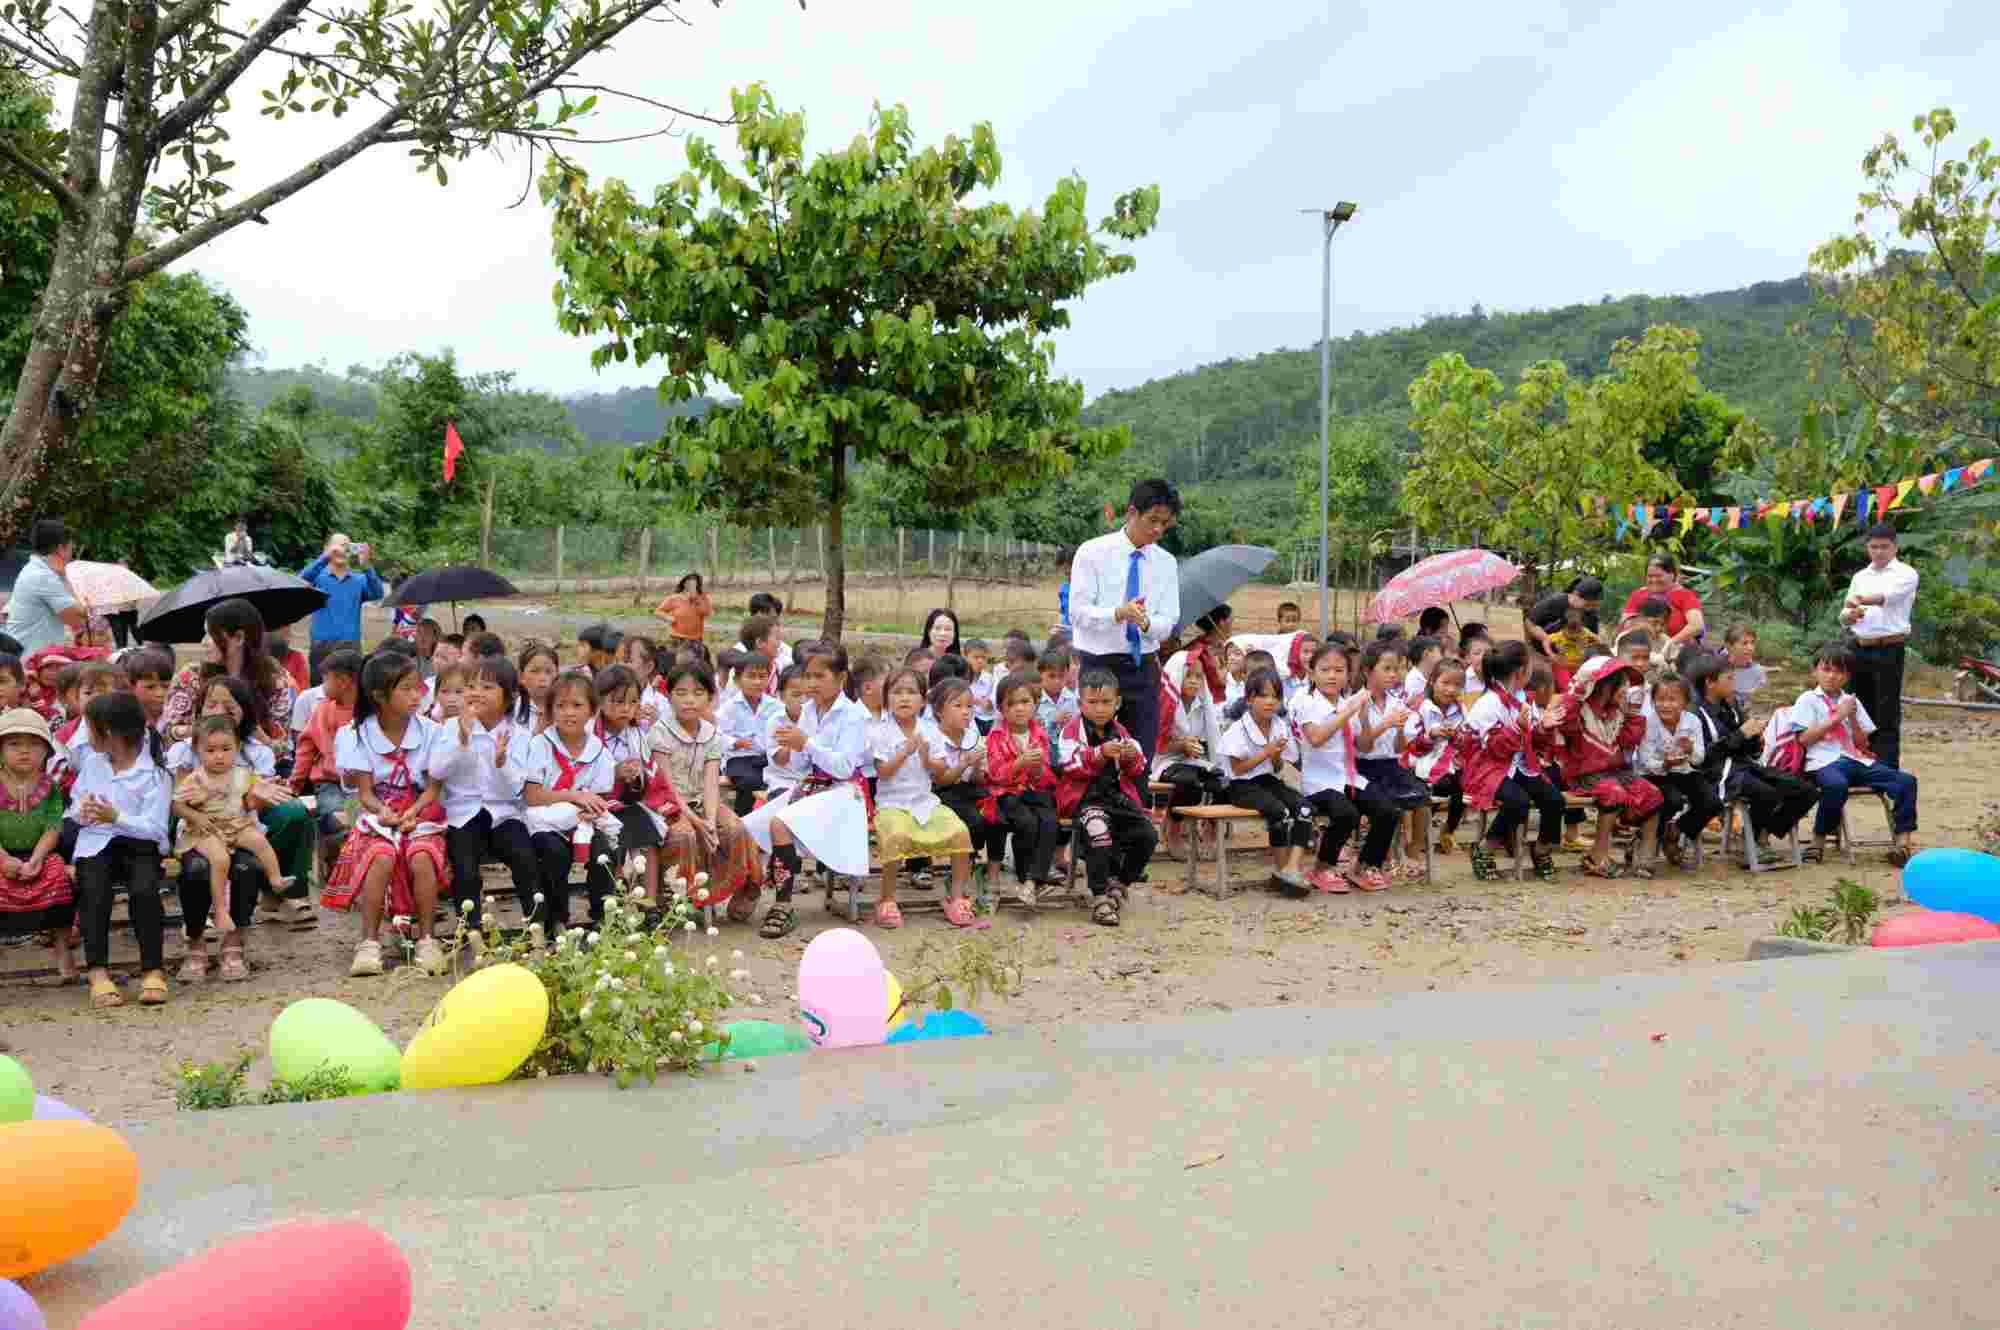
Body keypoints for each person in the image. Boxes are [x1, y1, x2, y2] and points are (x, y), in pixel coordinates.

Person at [324, 652, 448, 977]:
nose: (416, 695)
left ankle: (427, 939)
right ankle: (369, 942)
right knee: (381, 855)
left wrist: (414, 812)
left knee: (421, 856)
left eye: (417, 688)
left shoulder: (433, 732)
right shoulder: (356, 734)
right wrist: (386, 814)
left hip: (423, 811)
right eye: (406, 689)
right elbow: (366, 794)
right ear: (379, 696)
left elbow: (433, 789)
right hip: (379, 814)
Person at [741, 640, 872, 938]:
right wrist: (790, 747)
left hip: (842, 794)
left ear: (841, 679)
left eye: (819, 676)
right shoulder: (809, 710)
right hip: (812, 787)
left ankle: (784, 904)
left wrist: (805, 743)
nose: (811, 683)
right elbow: (801, 765)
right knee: (748, 826)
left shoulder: (854, 716)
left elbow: (843, 768)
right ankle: (747, 889)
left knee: (779, 824)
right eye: (808, 676)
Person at [1066, 478, 1182, 773]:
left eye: (1165, 524)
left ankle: (1137, 813)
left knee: (1139, 754)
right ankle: (1096, 816)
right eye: (1152, 520)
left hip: (1143, 666)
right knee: (1098, 754)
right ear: (1132, 512)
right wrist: (1117, 614)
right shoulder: (1092, 552)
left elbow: (1168, 621)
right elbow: (1077, 613)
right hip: (1100, 664)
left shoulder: (1166, 562)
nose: (1157, 529)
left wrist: (1146, 623)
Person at [70, 691, 172, 1007]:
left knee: (144, 890)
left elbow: (155, 829)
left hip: (140, 844)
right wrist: (81, 811)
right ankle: (98, 973)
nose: (87, 736)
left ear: (110, 732)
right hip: (96, 843)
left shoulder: (155, 773)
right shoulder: (93, 764)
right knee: (94, 889)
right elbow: (74, 805)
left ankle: (153, 970)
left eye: (91, 729)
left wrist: (118, 817)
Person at [429, 653, 542, 936]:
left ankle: (537, 923)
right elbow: (437, 769)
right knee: (465, 867)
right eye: (472, 686)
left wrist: (501, 762)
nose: (476, 693)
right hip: (463, 813)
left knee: (524, 858)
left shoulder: (519, 735)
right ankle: (471, 928)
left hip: (504, 812)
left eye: (488, 687)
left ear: (509, 695)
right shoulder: (453, 726)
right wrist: (462, 740)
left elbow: (516, 788)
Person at [172, 717, 293, 980]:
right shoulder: (196, 778)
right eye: (210, 750)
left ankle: (275, 879)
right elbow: (177, 805)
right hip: (206, 831)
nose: (218, 756)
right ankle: (219, 914)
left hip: (237, 825)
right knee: (216, 861)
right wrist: (196, 816)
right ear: (198, 751)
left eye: (226, 749)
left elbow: (256, 792)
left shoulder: (242, 774)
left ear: (237, 748)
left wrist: (266, 790)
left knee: (258, 847)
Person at [652, 661, 762, 919]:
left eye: (698, 693)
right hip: (668, 805)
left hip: (703, 802)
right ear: (669, 697)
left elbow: (711, 782)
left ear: (711, 698)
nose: (689, 700)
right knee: (684, 836)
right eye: (681, 693)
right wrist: (696, 822)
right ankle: (669, 895)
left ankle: (744, 889)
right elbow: (667, 786)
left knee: (735, 828)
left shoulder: (712, 733)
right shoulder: (659, 733)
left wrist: (710, 820)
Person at [870, 667, 978, 928]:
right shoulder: (879, 731)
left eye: (911, 692)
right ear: (887, 699)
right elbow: (883, 772)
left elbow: (939, 771)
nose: (904, 698)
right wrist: (905, 752)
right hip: (891, 804)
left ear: (922, 700)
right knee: (895, 836)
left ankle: (956, 897)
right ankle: (886, 899)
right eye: (897, 692)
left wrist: (926, 758)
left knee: (960, 831)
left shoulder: (930, 730)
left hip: (924, 801)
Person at [1792, 644, 1920, 865]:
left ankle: (1902, 844)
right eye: (1826, 669)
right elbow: (1804, 739)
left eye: (1839, 671)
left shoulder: (1851, 701)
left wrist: (1850, 716)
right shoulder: (1807, 700)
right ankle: (1818, 841)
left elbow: (1863, 743)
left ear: (1847, 676)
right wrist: (1837, 717)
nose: (1832, 676)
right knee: (1835, 785)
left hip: (1854, 760)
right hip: (1823, 762)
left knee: (1906, 782)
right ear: (1815, 671)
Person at [1686, 653, 1816, 863]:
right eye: (1728, 678)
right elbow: (1703, 758)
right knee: (1766, 793)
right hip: (1716, 773)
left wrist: (1756, 739)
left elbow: (1747, 749)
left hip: (1742, 766)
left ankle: (1759, 836)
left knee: (1805, 790)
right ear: (1710, 683)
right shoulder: (1694, 713)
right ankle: (1751, 843)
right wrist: (1741, 735)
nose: (1733, 683)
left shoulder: (1730, 707)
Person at [521, 670, 621, 936]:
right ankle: (557, 919)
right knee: (552, 852)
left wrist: (588, 809)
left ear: (592, 711)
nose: (569, 713)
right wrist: (574, 796)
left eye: (577, 705)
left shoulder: (598, 750)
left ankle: (603, 916)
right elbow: (532, 795)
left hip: (585, 822)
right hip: (547, 822)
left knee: (604, 853)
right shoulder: (541, 745)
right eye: (560, 706)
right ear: (551, 711)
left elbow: (601, 796)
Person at [1054, 667, 1156, 927]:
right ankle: (1099, 897)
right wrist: (1099, 754)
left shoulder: (1121, 732)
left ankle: (1119, 884)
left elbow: (1138, 767)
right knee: (1098, 833)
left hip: (1115, 797)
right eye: (1092, 702)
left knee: (1148, 835)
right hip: (1084, 799)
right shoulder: (1070, 730)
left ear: (1117, 703)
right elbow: (1069, 763)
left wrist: (1130, 758)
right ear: (1080, 703)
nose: (1099, 708)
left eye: (1106, 702)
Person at [1552, 654, 1664, 879]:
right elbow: (1566, 724)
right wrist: (1576, 693)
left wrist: (1632, 712)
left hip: (1616, 772)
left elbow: (1628, 742)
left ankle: (1645, 853)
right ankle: (1597, 855)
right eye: (1620, 683)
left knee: (1652, 793)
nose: (1625, 688)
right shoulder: (1580, 711)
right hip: (1584, 775)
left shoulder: (1618, 713)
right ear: (1603, 686)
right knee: (1612, 792)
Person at [1463, 641, 1567, 883]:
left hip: (1517, 764)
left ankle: (1541, 849)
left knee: (1554, 800)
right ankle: (1485, 848)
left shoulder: (1520, 698)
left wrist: (1542, 727)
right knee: (1517, 801)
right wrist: (1517, 728)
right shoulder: (1488, 704)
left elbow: (1532, 740)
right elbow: (1494, 749)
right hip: (1487, 768)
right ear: (1521, 671)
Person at [1219, 665, 1315, 895]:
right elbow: (1237, 770)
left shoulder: (1279, 725)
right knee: (1279, 811)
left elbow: (1278, 767)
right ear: (1250, 698)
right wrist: (1266, 752)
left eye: (1275, 696)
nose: (1270, 702)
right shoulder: (1238, 729)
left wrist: (1276, 756)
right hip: (1241, 786)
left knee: (1304, 810)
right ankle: (1282, 870)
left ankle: (1291, 869)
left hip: (1268, 781)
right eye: (1263, 695)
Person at [0, 708, 74, 983]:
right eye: (14, 744)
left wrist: (38, 858)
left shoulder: (50, 787)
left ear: (46, 751)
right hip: (1, 854)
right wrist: (4, 860)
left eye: (33, 744)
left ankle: (63, 949)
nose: (24, 751)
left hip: (38, 854)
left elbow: (53, 826)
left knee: (60, 876)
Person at [1293, 642, 1374, 893]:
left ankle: (1364, 866)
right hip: (1317, 783)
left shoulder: (1348, 703)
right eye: (1325, 669)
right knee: (1347, 813)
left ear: (1348, 675)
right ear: (1313, 672)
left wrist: (1363, 716)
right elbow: (1316, 738)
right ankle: (1322, 868)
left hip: (1348, 778)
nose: (1332, 676)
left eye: (1339, 670)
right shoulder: (1306, 702)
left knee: (1387, 809)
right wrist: (1347, 711)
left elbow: (1365, 746)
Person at [1839, 523, 1919, 769]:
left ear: (1895, 547)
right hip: (1859, 646)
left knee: (1887, 709)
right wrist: (1849, 616)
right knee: (1858, 706)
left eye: (1884, 547)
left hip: (1889, 647)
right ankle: (1862, 760)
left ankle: (1887, 767)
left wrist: (1861, 600)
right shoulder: (1860, 577)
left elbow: (1888, 598)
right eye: (1874, 547)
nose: (1879, 552)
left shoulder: (1906, 574)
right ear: (1867, 548)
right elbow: (1844, 613)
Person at [983, 670, 1063, 901]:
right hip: (1007, 793)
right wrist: (1019, 764)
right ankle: (1024, 876)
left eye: (1025, 702)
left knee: (1049, 821)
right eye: (1011, 704)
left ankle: (1033, 879)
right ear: (1001, 709)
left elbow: (1046, 775)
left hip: (1035, 791)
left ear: (1035, 704)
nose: (1019, 708)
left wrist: (1037, 770)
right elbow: (995, 775)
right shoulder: (996, 736)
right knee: (1026, 823)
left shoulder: (1040, 735)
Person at [925, 678, 1007, 885]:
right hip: (941, 792)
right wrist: (964, 764)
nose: (966, 712)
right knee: (974, 822)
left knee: (998, 819)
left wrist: (979, 767)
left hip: (969, 788)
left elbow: (978, 779)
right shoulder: (932, 737)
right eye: (958, 705)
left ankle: (992, 876)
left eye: (969, 706)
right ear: (939, 711)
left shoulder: (972, 734)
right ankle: (964, 864)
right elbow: (942, 780)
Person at [1640, 676, 1721, 868]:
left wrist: (1690, 750)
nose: (1666, 705)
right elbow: (1646, 760)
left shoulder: (1692, 721)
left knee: (1712, 802)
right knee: (1672, 800)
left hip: (1684, 771)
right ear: (1653, 702)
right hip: (1656, 774)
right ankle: (1648, 840)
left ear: (1684, 702)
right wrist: (1665, 764)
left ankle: (1676, 830)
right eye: (1660, 699)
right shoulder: (1648, 723)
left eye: (1672, 699)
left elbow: (1699, 759)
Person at [1403, 659, 1469, 856]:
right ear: (1432, 682)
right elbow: (1410, 743)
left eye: (1457, 685)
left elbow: (1467, 738)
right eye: (1445, 683)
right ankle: (1421, 833)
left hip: (1450, 761)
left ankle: (1448, 830)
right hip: (1421, 762)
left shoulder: (1460, 709)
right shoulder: (1421, 707)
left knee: (1466, 787)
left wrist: (1456, 737)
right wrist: (1431, 735)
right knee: (1442, 785)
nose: (1451, 690)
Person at [299, 535, 385, 675]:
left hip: (350, 644)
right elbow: (300, 581)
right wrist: (324, 558)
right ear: (327, 549)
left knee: (352, 689)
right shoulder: (318, 577)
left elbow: (378, 593)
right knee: (319, 691)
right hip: (321, 644)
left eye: (346, 546)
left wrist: (366, 565)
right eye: (337, 546)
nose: (341, 550)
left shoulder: (359, 579)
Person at [4, 519, 84, 655]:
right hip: (32, 661)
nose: (71, 555)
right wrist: (64, 577)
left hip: (30, 656)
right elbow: (78, 619)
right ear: (61, 549)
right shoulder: (43, 576)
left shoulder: (34, 570)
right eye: (71, 549)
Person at [1619, 556, 1704, 654]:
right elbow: (1625, 623)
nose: (1654, 580)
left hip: (1679, 652)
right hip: (1642, 651)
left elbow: (1697, 625)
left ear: (1672, 575)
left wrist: (1670, 643)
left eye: (1659, 576)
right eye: (1650, 576)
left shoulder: (1685, 595)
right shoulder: (1638, 595)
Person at [1526, 577, 1604, 657]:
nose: (1590, 608)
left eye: (1594, 605)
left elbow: (1593, 640)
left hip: (1570, 658)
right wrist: (1546, 639)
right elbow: (1530, 623)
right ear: (1575, 594)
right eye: (1587, 604)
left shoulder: (1592, 614)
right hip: (1541, 654)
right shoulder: (1555, 602)